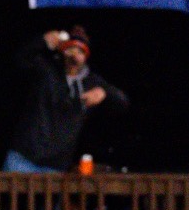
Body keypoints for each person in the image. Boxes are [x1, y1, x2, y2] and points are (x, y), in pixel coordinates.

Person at [7, 28, 126, 174]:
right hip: (22, 158)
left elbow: (123, 103)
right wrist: (42, 41)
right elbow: (19, 59)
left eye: (80, 51)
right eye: (70, 49)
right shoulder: (47, 70)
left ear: (86, 56)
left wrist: (105, 93)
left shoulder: (92, 82)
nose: (75, 55)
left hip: (55, 167)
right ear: (62, 51)